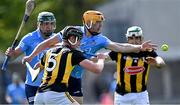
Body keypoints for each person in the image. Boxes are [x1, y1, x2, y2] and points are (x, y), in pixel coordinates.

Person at [22, 10, 157, 104]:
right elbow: (48, 43)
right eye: (98, 22)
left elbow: (120, 46)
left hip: (75, 78)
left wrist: (139, 48)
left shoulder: (101, 39)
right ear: (89, 22)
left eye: (101, 22)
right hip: (61, 78)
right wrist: (31, 56)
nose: (100, 25)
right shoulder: (71, 32)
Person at [34, 26, 106, 105]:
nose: (80, 43)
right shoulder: (74, 54)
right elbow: (96, 69)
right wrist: (101, 59)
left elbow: (38, 67)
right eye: (78, 39)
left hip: (39, 95)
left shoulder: (49, 52)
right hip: (57, 95)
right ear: (72, 38)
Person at [5, 11, 57, 104]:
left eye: (51, 23)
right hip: (33, 86)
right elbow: (14, 56)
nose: (49, 27)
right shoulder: (29, 38)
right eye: (46, 24)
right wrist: (10, 54)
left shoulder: (56, 39)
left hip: (51, 85)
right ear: (39, 24)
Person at [107, 26, 165, 105]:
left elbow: (160, 61)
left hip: (141, 95)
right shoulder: (120, 50)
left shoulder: (147, 51)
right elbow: (104, 58)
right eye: (131, 38)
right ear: (127, 39)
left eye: (137, 38)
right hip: (122, 96)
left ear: (141, 39)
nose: (134, 41)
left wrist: (157, 63)